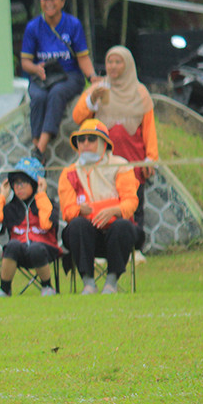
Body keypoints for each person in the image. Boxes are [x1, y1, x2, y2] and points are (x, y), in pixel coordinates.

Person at [72, 45, 157, 245]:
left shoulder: (141, 92)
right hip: (103, 162)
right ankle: (103, 247)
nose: (113, 66)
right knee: (104, 202)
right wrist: (92, 99)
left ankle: (135, 248)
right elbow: (78, 116)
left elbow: (149, 127)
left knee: (134, 204)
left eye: (118, 62)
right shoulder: (99, 88)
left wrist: (151, 157)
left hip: (133, 158)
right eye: (110, 61)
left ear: (127, 65)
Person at [58, 119, 140, 295]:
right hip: (87, 236)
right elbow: (67, 210)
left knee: (123, 226)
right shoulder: (69, 173)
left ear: (104, 144)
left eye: (91, 139)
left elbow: (130, 201)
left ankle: (111, 282)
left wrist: (114, 210)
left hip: (115, 232)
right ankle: (88, 283)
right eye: (81, 140)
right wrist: (80, 210)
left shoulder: (121, 165)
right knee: (77, 225)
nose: (85, 144)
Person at [20, 0, 98, 163]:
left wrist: (92, 76)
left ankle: (40, 149)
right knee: (38, 97)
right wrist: (36, 69)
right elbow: (25, 62)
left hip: (68, 75)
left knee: (57, 93)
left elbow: (82, 56)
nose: (49, 2)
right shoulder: (33, 27)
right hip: (44, 76)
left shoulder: (73, 25)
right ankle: (36, 143)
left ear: (62, 1)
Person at [0, 157, 59, 298]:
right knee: (12, 245)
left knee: (35, 248)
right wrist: (3, 195)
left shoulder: (47, 202)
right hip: (19, 252)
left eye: (23, 182)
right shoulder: (11, 208)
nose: (18, 187)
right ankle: (4, 289)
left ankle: (47, 286)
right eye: (15, 183)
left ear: (35, 183)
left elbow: (46, 224)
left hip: (44, 250)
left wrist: (41, 194)